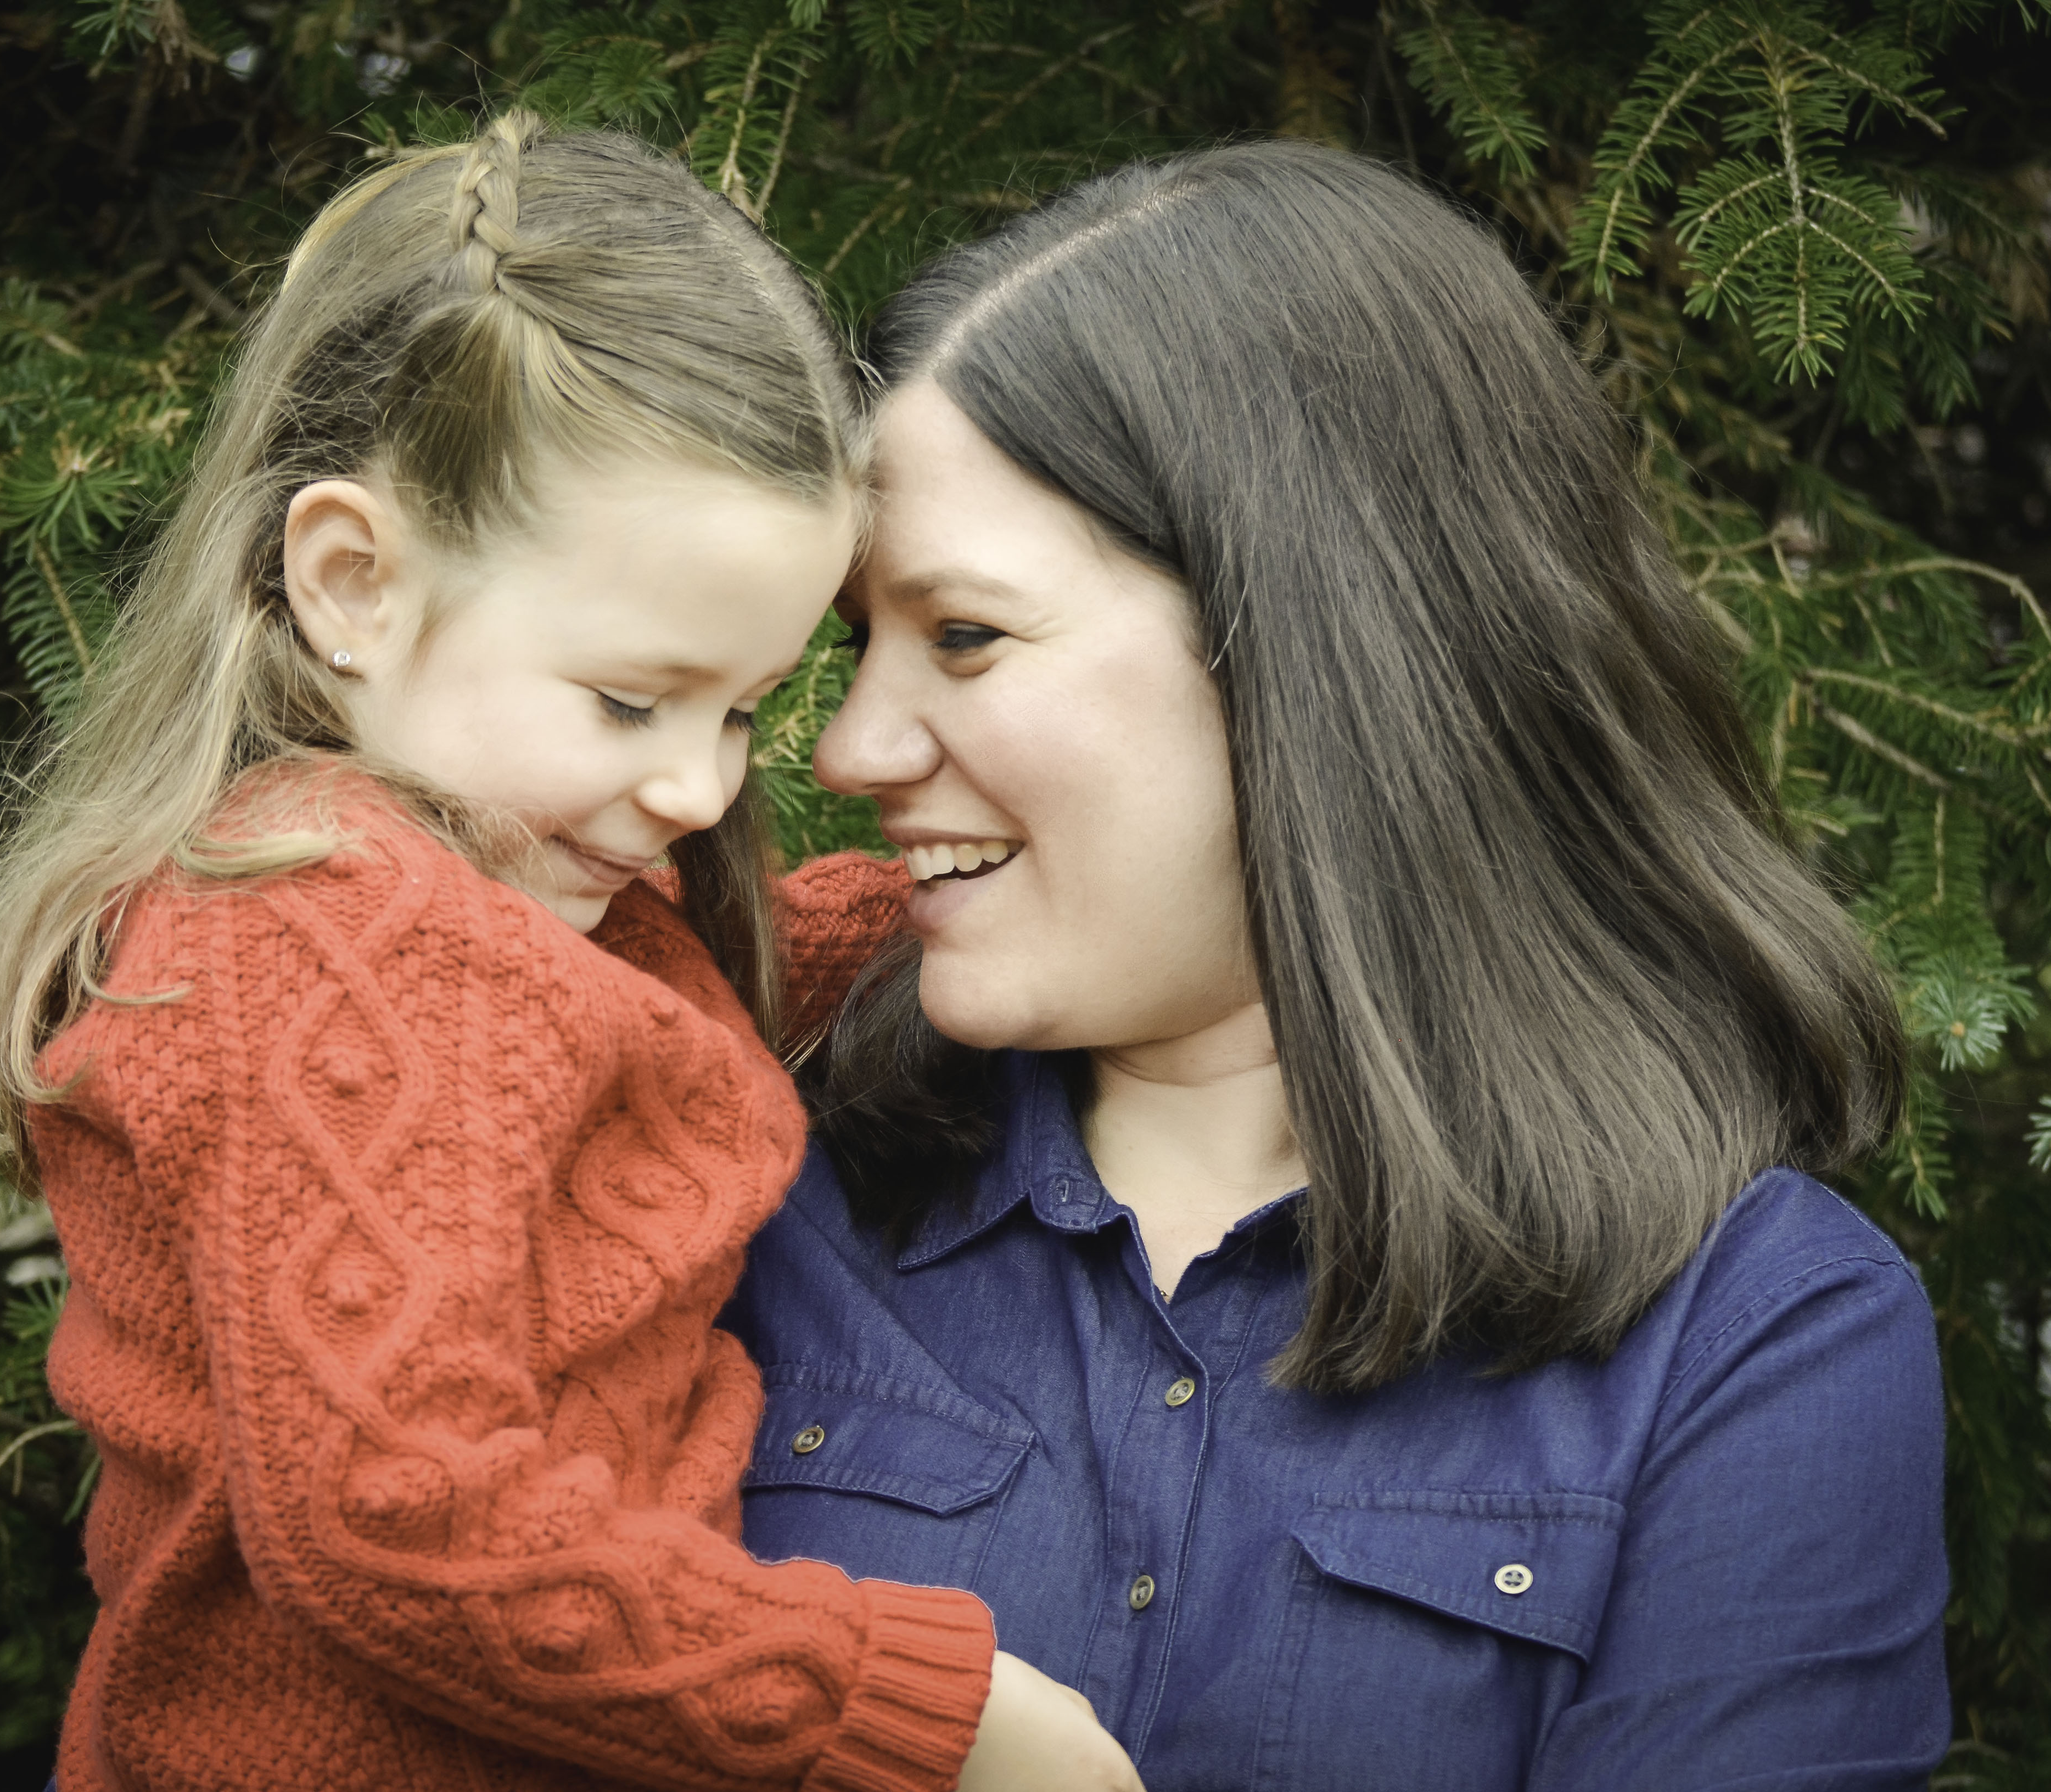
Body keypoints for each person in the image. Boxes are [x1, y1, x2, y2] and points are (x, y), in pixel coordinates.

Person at [0, 111, 1138, 1792]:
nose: (699, 788)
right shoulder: (321, 934)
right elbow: (400, 1519)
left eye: (742, 710)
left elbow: (669, 995)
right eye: (632, 701)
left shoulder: (461, 896)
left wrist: (1005, 878)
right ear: (352, 583)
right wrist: (905, 1706)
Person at [722, 139, 1951, 1789]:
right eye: (858, 642)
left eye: (965, 635)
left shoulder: (1753, 1337)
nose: (853, 745)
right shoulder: (731, 1178)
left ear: (1308, 642)